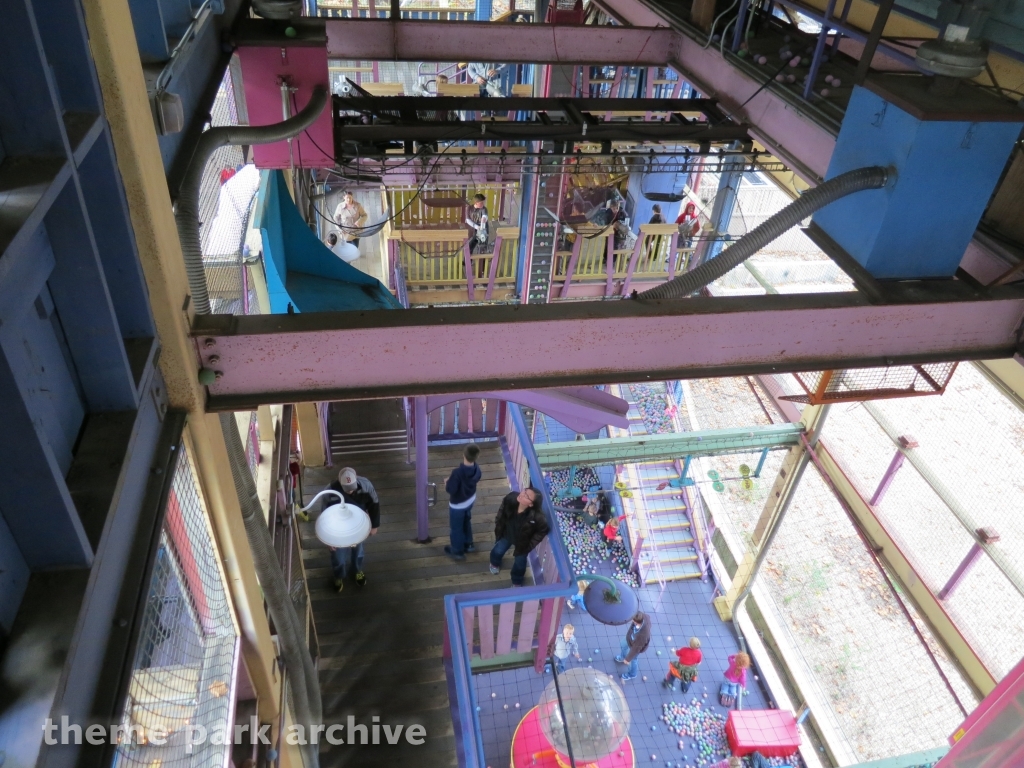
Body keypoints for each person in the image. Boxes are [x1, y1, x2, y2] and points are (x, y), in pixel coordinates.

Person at [324, 467, 380, 591]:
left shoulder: (366, 485)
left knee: (358, 551)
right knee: (338, 556)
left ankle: (357, 570)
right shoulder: (329, 491)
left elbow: (374, 504)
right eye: (347, 489)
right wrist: (328, 539)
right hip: (338, 528)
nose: (350, 491)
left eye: (352, 487)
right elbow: (324, 515)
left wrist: (374, 525)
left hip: (358, 525)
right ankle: (339, 575)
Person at [488, 486, 549, 587]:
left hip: (523, 543)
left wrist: (530, 545)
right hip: (506, 534)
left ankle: (516, 581)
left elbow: (542, 531)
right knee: (498, 550)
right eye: (525, 491)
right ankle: (494, 563)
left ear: (531, 504)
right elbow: (501, 512)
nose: (522, 494)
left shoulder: (537, 517)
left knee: (520, 564)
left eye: (527, 496)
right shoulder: (510, 499)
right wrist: (498, 524)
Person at [444, 443, 482, 561]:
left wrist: (447, 482)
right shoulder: (477, 469)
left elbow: (451, 490)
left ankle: (457, 551)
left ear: (463, 455)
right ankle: (468, 544)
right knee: (466, 521)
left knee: (456, 528)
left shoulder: (457, 473)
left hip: (458, 505)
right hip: (470, 500)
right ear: (476, 457)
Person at [615, 611, 651, 681]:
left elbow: (635, 649)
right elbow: (647, 617)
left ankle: (632, 674)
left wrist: (628, 659)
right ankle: (622, 657)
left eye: (633, 621)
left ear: (638, 622)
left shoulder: (643, 635)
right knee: (623, 645)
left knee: (633, 659)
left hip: (637, 646)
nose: (632, 621)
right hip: (630, 639)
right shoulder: (639, 616)